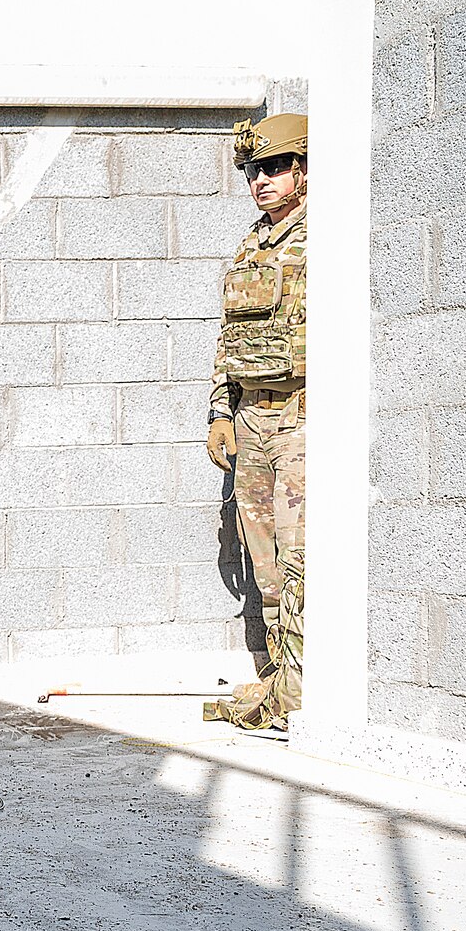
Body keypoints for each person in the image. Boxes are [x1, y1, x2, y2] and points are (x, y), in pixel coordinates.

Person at [203, 112, 306, 732]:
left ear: (302, 171)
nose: (259, 181)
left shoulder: (322, 240)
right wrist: (220, 413)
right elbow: (229, 338)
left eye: (272, 168)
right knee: (263, 565)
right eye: (251, 171)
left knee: (299, 561)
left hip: (299, 418)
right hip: (251, 420)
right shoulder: (251, 245)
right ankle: (279, 680)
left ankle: (300, 690)